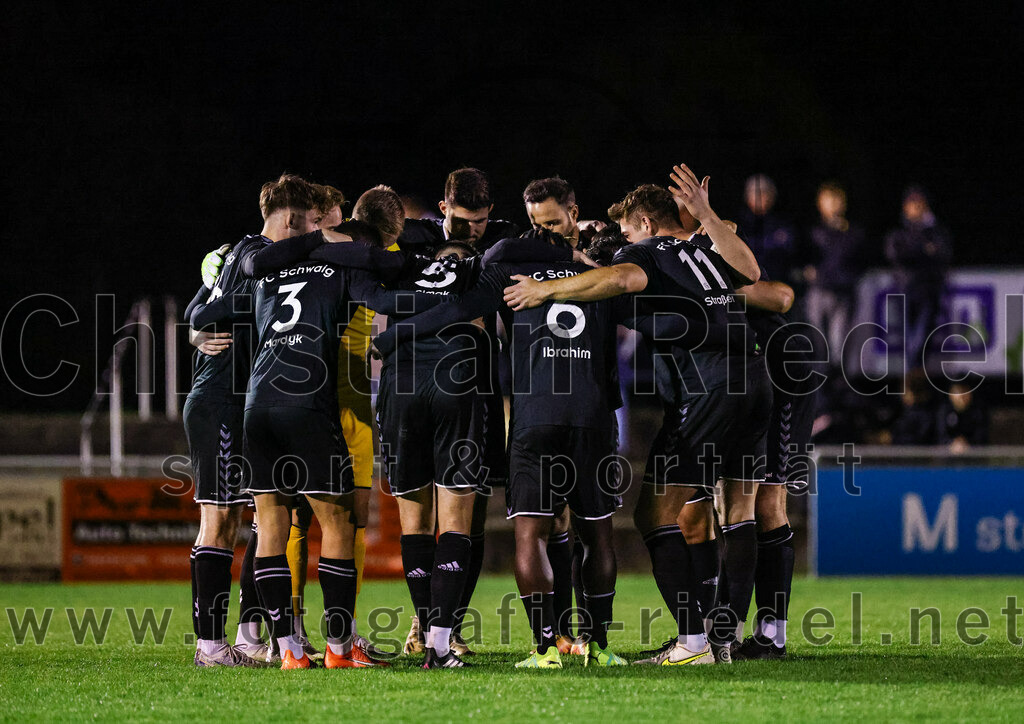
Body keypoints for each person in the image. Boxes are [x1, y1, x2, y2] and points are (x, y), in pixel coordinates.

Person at [504, 164, 770, 666]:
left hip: (709, 387)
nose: (622, 238)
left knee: (654, 513)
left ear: (645, 225)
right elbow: (753, 272)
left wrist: (548, 289)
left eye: (626, 229)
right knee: (733, 510)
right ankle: (725, 637)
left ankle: (695, 645)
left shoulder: (643, 251)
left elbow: (623, 275)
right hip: (754, 383)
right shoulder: (705, 245)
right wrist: (708, 215)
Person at [372, 229, 629, 669]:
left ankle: (543, 648)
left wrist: (392, 338)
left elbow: (455, 306)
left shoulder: (510, 274)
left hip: (532, 414)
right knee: (598, 534)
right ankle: (599, 646)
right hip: (591, 415)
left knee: (529, 534)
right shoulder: (604, 278)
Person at [179, 173, 323, 667]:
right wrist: (201, 328)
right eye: (305, 227)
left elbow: (199, 308)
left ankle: (242, 637)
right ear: (287, 220)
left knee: (262, 518)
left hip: (240, 402)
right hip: (219, 400)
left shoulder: (235, 254)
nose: (307, 237)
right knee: (219, 520)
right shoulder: (256, 257)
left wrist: (197, 328)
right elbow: (225, 309)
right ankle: (210, 647)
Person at [283, 185, 403, 661]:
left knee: (293, 518)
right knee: (351, 518)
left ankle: (285, 638)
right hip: (348, 392)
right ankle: (343, 635)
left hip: (292, 389)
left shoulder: (301, 249)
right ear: (390, 232)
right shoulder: (383, 254)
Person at [884, 185, 953, 369]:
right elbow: (896, 254)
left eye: (920, 204)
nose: (916, 208)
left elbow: (943, 253)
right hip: (905, 290)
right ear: (905, 207)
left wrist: (920, 249)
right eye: (912, 204)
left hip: (929, 291)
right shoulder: (899, 233)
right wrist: (924, 250)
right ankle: (913, 381)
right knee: (908, 339)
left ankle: (915, 381)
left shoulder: (936, 232)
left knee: (922, 338)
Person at [804, 182, 865, 369]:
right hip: (818, 291)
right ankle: (820, 392)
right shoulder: (813, 232)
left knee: (839, 347)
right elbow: (803, 257)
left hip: (843, 293)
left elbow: (861, 260)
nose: (832, 204)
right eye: (827, 200)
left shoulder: (853, 233)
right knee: (818, 344)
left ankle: (838, 390)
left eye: (835, 200)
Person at [397, 167, 519, 254]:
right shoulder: (406, 234)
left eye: (479, 221)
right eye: (461, 221)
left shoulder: (506, 235)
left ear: (490, 210)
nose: (470, 231)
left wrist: (538, 288)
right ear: (444, 208)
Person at [737, 174, 798, 289]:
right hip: (748, 287)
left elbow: (790, 249)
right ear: (747, 196)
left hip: (777, 284)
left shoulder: (782, 223)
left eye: (765, 192)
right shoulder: (740, 224)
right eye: (755, 193)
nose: (760, 197)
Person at [937, 382, 988, 453]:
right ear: (951, 394)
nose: (962, 396)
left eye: (965, 391)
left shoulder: (978, 412)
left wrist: (967, 444)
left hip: (974, 457)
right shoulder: (943, 412)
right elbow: (940, 436)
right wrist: (952, 443)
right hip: (947, 457)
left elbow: (982, 436)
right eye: (958, 392)